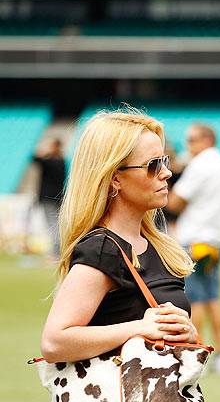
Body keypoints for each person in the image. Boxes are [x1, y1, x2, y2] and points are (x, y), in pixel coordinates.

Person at [41, 109, 198, 367]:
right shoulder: (103, 248)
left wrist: (189, 334)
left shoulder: (159, 245)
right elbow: (54, 342)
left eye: (165, 161)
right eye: (153, 165)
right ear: (115, 178)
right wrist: (141, 328)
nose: (166, 173)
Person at [166, 123, 220, 375]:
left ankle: (198, 352)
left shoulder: (200, 164)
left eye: (192, 139)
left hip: (194, 239)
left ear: (206, 139)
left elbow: (173, 202)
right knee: (213, 298)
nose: (188, 145)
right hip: (217, 238)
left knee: (194, 300)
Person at [32, 138, 66, 255]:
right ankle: (57, 251)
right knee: (55, 224)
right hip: (58, 197)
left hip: (48, 197)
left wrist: (44, 150)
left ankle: (56, 252)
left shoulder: (50, 161)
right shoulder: (62, 161)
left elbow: (35, 158)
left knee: (52, 224)